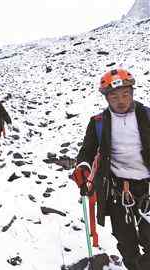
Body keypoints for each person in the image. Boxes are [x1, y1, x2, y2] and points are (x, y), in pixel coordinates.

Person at [73, 69, 150, 270]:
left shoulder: (147, 116)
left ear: (132, 93)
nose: (121, 100)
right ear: (106, 98)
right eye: (114, 96)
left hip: (148, 188)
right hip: (117, 190)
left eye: (125, 94)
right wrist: (83, 167)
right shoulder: (98, 122)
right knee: (126, 243)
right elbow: (87, 152)